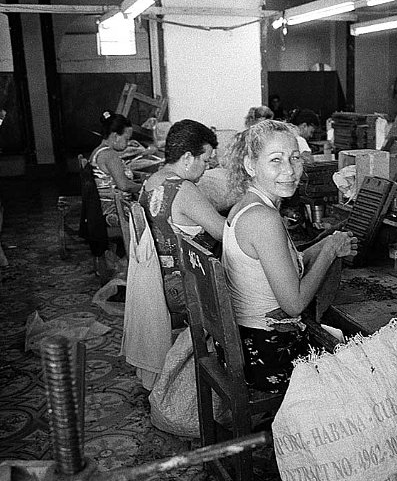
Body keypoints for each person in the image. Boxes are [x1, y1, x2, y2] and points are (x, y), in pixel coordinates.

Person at [223, 119, 358, 394]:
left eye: (294, 158)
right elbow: (294, 304)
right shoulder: (264, 219)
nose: (289, 170)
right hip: (267, 354)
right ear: (251, 165)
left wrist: (324, 245)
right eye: (275, 160)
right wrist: (330, 251)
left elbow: (284, 264)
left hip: (245, 342)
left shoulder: (248, 205)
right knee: (364, 359)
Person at [139, 119, 225, 316]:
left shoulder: (151, 181)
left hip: (157, 280)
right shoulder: (182, 189)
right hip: (182, 287)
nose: (206, 168)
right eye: (205, 161)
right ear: (187, 158)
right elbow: (223, 233)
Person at [89, 110, 144, 225]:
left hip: (102, 206)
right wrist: (145, 187)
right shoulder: (110, 155)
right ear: (115, 136)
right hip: (113, 209)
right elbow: (124, 186)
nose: (128, 142)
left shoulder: (99, 151)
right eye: (126, 139)